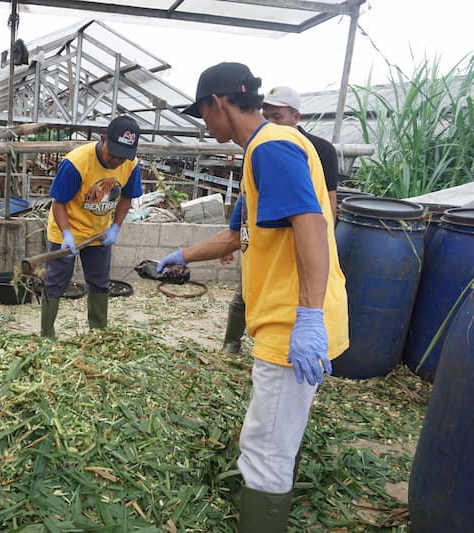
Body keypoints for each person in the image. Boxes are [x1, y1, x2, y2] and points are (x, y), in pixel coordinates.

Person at [157, 62, 348, 532]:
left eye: (202, 112)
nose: (204, 124)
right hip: (291, 316)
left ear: (217, 103)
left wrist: (306, 318)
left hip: (291, 324)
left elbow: (312, 225)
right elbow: (234, 235)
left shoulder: (272, 147)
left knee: (264, 449)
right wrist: (180, 254)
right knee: (278, 437)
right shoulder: (264, 151)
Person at [221, 85, 339, 354]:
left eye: (278, 117)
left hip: (297, 245)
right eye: (267, 115)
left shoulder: (319, 149)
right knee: (246, 291)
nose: (270, 122)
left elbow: (323, 208)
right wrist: (234, 237)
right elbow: (247, 197)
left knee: (295, 297)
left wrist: (324, 243)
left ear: (296, 117)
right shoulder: (260, 145)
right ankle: (232, 343)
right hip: (263, 241)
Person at [40, 115, 143, 338]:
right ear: (103, 138)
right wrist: (67, 234)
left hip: (99, 232)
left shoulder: (131, 165)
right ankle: (46, 334)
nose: (117, 161)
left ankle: (98, 332)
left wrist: (116, 226)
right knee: (56, 282)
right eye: (114, 153)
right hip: (66, 228)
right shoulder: (76, 163)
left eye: (123, 157)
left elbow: (126, 196)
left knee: (99, 282)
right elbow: (59, 203)